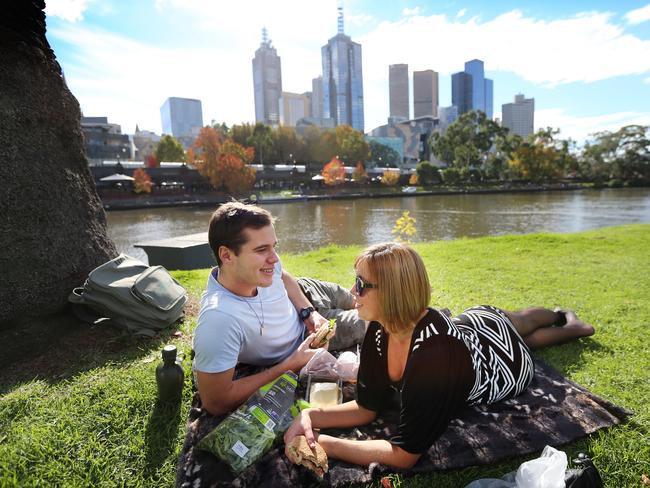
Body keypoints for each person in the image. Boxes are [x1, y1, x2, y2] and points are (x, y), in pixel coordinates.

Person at [284, 242, 595, 469]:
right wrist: (309, 415)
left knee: (522, 332)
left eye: (362, 284)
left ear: (394, 291)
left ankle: (568, 324)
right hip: (468, 333)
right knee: (504, 318)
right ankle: (556, 318)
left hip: (500, 366)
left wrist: (328, 444)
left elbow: (404, 455)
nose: (352, 291)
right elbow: (367, 407)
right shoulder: (380, 329)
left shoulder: (435, 356)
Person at [192, 202, 365, 416]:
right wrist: (292, 364)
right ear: (227, 255)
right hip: (306, 337)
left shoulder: (262, 267)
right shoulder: (219, 320)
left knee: (358, 297)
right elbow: (216, 402)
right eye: (262, 249)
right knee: (372, 319)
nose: (274, 258)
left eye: (274, 246)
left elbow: (282, 276)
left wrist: (309, 312)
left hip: (305, 295)